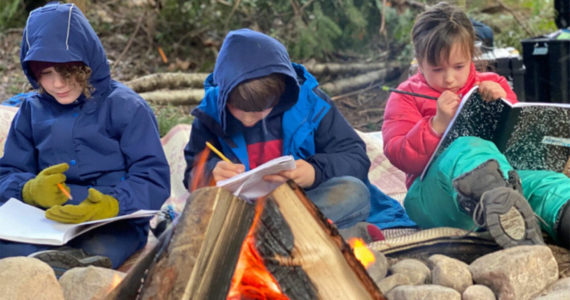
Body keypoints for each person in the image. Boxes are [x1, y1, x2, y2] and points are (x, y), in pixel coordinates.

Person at [183, 28, 415, 241]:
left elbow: (354, 157)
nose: (249, 119)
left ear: (282, 92)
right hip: (243, 210)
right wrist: (210, 172)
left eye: (262, 109)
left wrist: (314, 171)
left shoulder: (311, 104)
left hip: (308, 202)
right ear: (224, 96)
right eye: (239, 110)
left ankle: (262, 239)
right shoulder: (210, 115)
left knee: (354, 193)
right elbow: (193, 170)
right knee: (194, 216)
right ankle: (332, 238)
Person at [0, 2, 170, 275]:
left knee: (100, 252)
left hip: (111, 221)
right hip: (46, 220)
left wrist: (113, 203)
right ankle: (53, 265)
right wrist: (29, 189)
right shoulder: (31, 110)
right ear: (33, 73)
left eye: (68, 72)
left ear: (88, 65)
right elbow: (7, 173)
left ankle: (68, 269)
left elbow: (152, 177)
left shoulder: (127, 107)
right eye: (46, 74)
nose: (58, 83)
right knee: (9, 251)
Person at [382, 1, 570, 249]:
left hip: (506, 179)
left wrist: (502, 101)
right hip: (434, 198)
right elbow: (399, 154)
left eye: (459, 66)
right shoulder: (406, 96)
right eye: (437, 69)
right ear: (419, 61)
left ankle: (549, 217)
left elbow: (514, 138)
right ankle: (504, 212)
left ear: (472, 55)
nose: (449, 78)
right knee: (468, 147)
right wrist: (436, 125)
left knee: (547, 185)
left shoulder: (492, 83)